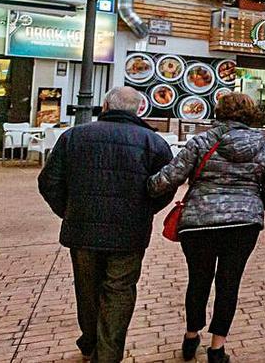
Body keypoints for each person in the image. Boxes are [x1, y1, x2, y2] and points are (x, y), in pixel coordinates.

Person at [38, 87, 175, 362]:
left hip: (83, 229)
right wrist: (144, 210)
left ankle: (90, 342)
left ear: (104, 105)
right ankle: (108, 354)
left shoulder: (74, 136)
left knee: (87, 289)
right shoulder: (153, 142)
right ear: (138, 110)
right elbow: (165, 186)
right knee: (120, 291)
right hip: (129, 232)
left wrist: (68, 210)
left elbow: (49, 181)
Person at [149, 93, 265, 363]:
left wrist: (147, 184)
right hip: (243, 225)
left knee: (198, 279)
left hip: (199, 223)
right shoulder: (262, 145)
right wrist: (252, 205)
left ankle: (190, 336)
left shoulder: (202, 141)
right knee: (228, 283)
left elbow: (170, 177)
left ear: (220, 112)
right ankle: (217, 347)